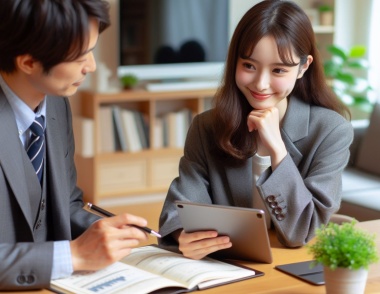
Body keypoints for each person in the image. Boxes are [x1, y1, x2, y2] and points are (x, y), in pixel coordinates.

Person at [158, 0, 354, 260]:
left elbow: (301, 231)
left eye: (278, 70)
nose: (261, 84)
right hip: (225, 264)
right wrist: (182, 235)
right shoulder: (206, 127)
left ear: (303, 67)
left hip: (294, 263)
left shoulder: (331, 131)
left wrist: (277, 150)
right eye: (249, 65)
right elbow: (177, 210)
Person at [0, 0, 149, 290]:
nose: (92, 67)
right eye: (82, 55)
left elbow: (66, 203)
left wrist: (103, 231)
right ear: (28, 61)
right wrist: (73, 255)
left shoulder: (56, 103)